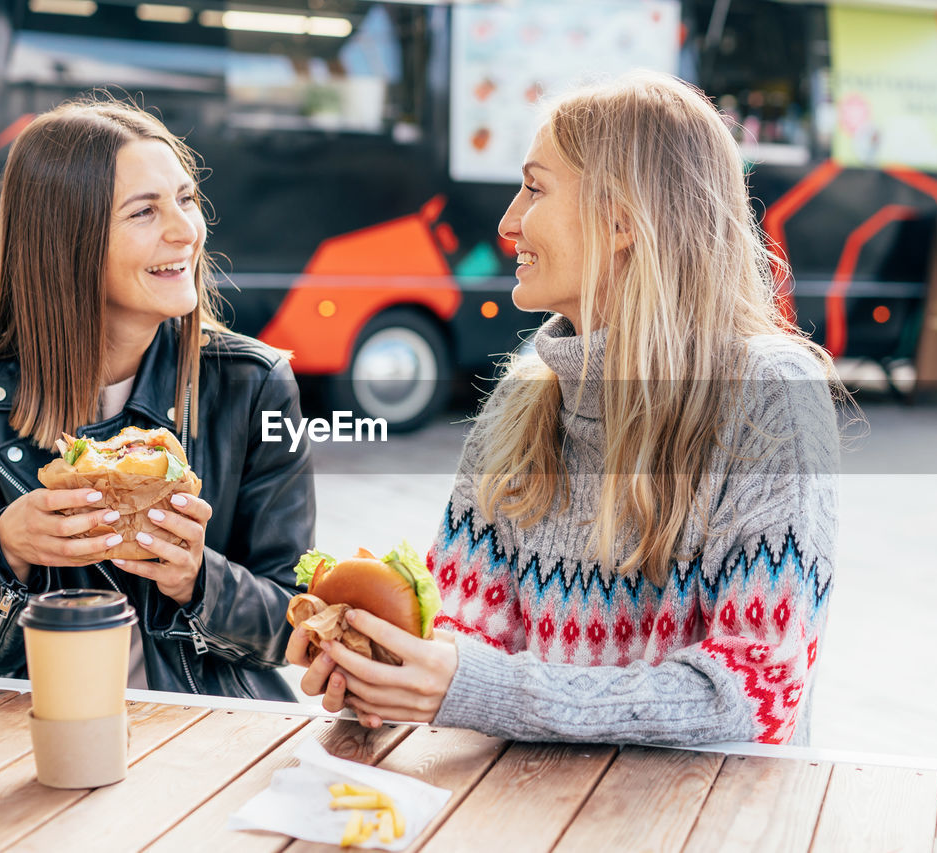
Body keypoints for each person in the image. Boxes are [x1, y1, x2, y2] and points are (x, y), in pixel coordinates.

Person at [288, 72, 843, 744]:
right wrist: (379, 671)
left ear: (620, 220)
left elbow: (755, 689)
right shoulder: (524, 395)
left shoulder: (770, 395)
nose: (508, 222)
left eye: (535, 187)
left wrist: (467, 686)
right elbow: (460, 633)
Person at [0, 97, 313, 699]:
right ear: (66, 242)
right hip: (47, 726)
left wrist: (198, 577)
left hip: (210, 730)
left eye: (186, 199)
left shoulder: (254, 383)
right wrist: (7, 549)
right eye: (145, 212)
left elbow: (295, 623)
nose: (186, 230)